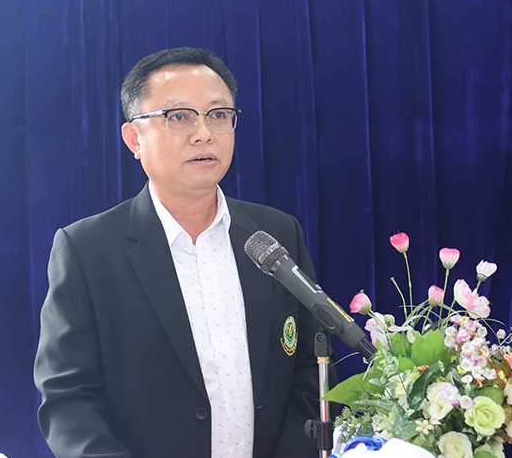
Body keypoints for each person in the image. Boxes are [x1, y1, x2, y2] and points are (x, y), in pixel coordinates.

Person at [34, 47, 330, 458]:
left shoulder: (275, 232)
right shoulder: (87, 250)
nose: (204, 133)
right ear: (134, 138)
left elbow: (311, 368)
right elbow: (68, 398)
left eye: (218, 115)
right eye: (179, 117)